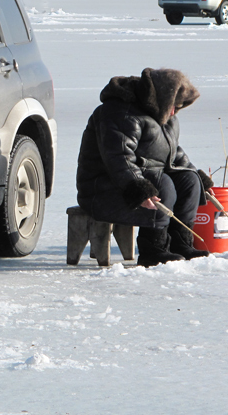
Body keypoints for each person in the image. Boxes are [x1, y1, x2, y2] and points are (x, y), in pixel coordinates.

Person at [76, 68, 214, 267]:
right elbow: (119, 159)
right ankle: (153, 249)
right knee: (161, 182)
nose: (175, 111)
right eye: (173, 105)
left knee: (188, 181)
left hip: (136, 182)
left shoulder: (163, 116)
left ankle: (180, 244)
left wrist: (200, 179)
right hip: (104, 188)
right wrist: (138, 189)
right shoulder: (119, 113)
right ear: (163, 99)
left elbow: (174, 155)